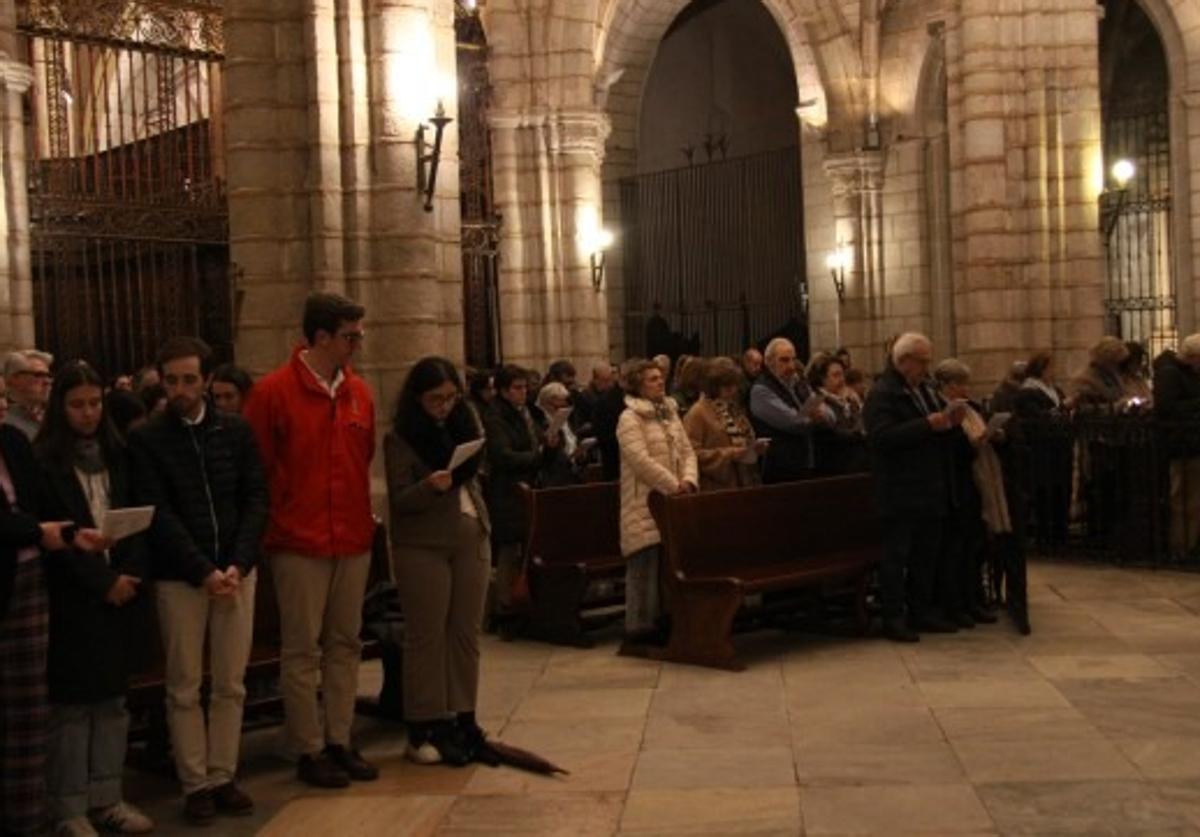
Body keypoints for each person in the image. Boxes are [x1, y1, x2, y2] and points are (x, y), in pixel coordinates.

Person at [128, 338, 269, 823]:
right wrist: (202, 570)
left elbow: (255, 498)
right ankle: (195, 784)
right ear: (162, 382)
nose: (181, 389)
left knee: (231, 683)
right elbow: (159, 514)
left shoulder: (235, 430)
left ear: (207, 380)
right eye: (172, 381)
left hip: (235, 573)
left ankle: (223, 774)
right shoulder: (148, 438)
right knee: (184, 685)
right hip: (181, 579)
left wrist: (239, 563)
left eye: (190, 379)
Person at [243, 292, 379, 789]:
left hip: (351, 535)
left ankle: (340, 739)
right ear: (320, 337)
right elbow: (258, 468)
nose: (356, 345)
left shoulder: (359, 392)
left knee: (344, 644)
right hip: (298, 540)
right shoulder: (274, 392)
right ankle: (308, 746)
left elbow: (361, 459)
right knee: (301, 651)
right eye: (350, 336)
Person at [36, 361, 155, 836]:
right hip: (73, 598)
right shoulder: (43, 460)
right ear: (60, 407)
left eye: (93, 403)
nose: (87, 413)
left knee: (112, 704)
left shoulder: (120, 451)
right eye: (76, 405)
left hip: (122, 592)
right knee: (73, 709)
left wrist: (128, 574)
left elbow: (143, 518)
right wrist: (100, 582)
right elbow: (50, 536)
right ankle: (69, 806)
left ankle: (108, 797)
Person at [1, 400, 108, 837]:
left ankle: (24, 818)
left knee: (28, 711)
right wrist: (37, 533)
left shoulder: (11, 440)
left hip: (25, 581)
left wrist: (68, 533)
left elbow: (35, 506)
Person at [384, 358, 491, 767]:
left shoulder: (466, 424)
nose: (444, 406)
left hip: (471, 534)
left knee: (466, 633)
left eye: (450, 398)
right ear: (418, 399)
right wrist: (429, 486)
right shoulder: (402, 438)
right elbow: (400, 499)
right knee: (427, 636)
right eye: (435, 400)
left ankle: (463, 717)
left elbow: (476, 474)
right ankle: (423, 725)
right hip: (423, 545)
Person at [863, 332, 962, 642]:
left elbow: (934, 429)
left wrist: (949, 423)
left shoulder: (925, 390)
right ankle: (894, 617)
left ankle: (922, 611)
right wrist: (927, 425)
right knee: (897, 556)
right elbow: (880, 438)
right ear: (904, 361)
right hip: (899, 489)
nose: (927, 368)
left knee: (926, 554)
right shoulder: (883, 394)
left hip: (928, 485)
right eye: (923, 362)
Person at [616, 359, 698, 656]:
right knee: (644, 562)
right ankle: (638, 628)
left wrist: (688, 479)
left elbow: (687, 450)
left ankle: (664, 621)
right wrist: (671, 484)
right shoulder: (629, 418)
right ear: (638, 385)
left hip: (672, 498)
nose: (659, 382)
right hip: (644, 501)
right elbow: (639, 460)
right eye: (652, 379)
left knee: (668, 562)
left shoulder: (670, 412)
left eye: (660, 378)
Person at [932, 359, 1004, 630]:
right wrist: (974, 444)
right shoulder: (941, 409)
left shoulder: (969, 408)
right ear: (947, 386)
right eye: (960, 384)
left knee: (974, 546)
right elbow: (950, 449)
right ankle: (957, 604)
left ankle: (975, 600)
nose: (965, 389)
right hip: (956, 485)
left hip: (975, 484)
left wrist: (992, 437)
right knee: (956, 550)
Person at [484, 365, 555, 616]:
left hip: (531, 488)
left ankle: (529, 603)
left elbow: (538, 441)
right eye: (517, 388)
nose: (523, 392)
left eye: (525, 387)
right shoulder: (495, 417)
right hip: (508, 492)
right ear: (503, 391)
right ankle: (505, 607)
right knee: (508, 551)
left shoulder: (528, 412)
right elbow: (503, 455)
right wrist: (537, 457)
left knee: (528, 547)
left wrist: (551, 444)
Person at [1014, 351, 1071, 550]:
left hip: (1059, 447)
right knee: (1044, 489)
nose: (1054, 371)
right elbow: (1036, 419)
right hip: (1042, 450)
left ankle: (1059, 533)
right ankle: (1045, 534)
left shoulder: (1054, 389)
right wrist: (1061, 409)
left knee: (1060, 489)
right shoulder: (1028, 392)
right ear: (1041, 369)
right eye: (1050, 367)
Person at [749, 338, 827, 483]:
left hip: (806, 463)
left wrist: (818, 415)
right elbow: (793, 422)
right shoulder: (761, 390)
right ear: (768, 362)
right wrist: (813, 417)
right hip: (779, 469)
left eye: (793, 360)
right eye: (784, 360)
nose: (791, 366)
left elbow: (828, 414)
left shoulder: (798, 382)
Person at [683, 359, 764, 491]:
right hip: (715, 488)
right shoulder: (697, 413)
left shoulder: (733, 408)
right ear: (713, 386)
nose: (733, 390)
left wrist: (755, 448)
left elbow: (747, 438)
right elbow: (691, 455)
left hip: (745, 483)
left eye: (735, 385)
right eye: (727, 386)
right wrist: (730, 454)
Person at [1154, 334, 1200, 558]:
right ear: (1192, 356)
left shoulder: (1190, 373)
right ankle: (1180, 547)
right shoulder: (1170, 373)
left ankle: (1191, 544)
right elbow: (1167, 408)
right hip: (1180, 445)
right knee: (1181, 498)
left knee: (1193, 500)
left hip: (1192, 444)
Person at [807, 353, 867, 476]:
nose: (842, 379)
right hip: (831, 466)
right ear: (822, 379)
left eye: (842, 374)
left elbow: (860, 421)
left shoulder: (849, 396)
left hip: (855, 462)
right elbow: (829, 432)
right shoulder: (814, 400)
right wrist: (858, 433)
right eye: (836, 375)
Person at [535, 382, 586, 487]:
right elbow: (542, 452)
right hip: (553, 477)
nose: (561, 409)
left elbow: (572, 439)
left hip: (571, 472)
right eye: (556, 406)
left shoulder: (565, 417)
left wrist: (580, 452)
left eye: (564, 405)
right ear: (545, 403)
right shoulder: (538, 421)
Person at [4, 349, 54, 440]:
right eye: (38, 375)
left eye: (49, 376)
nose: (48, 381)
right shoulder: (3, 417)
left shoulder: (55, 415)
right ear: (14, 379)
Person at [1071, 336, 1130, 409]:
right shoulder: (1084, 380)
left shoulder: (1113, 375)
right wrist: (1115, 407)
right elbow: (1083, 408)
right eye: (1115, 362)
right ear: (1106, 359)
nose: (1117, 366)